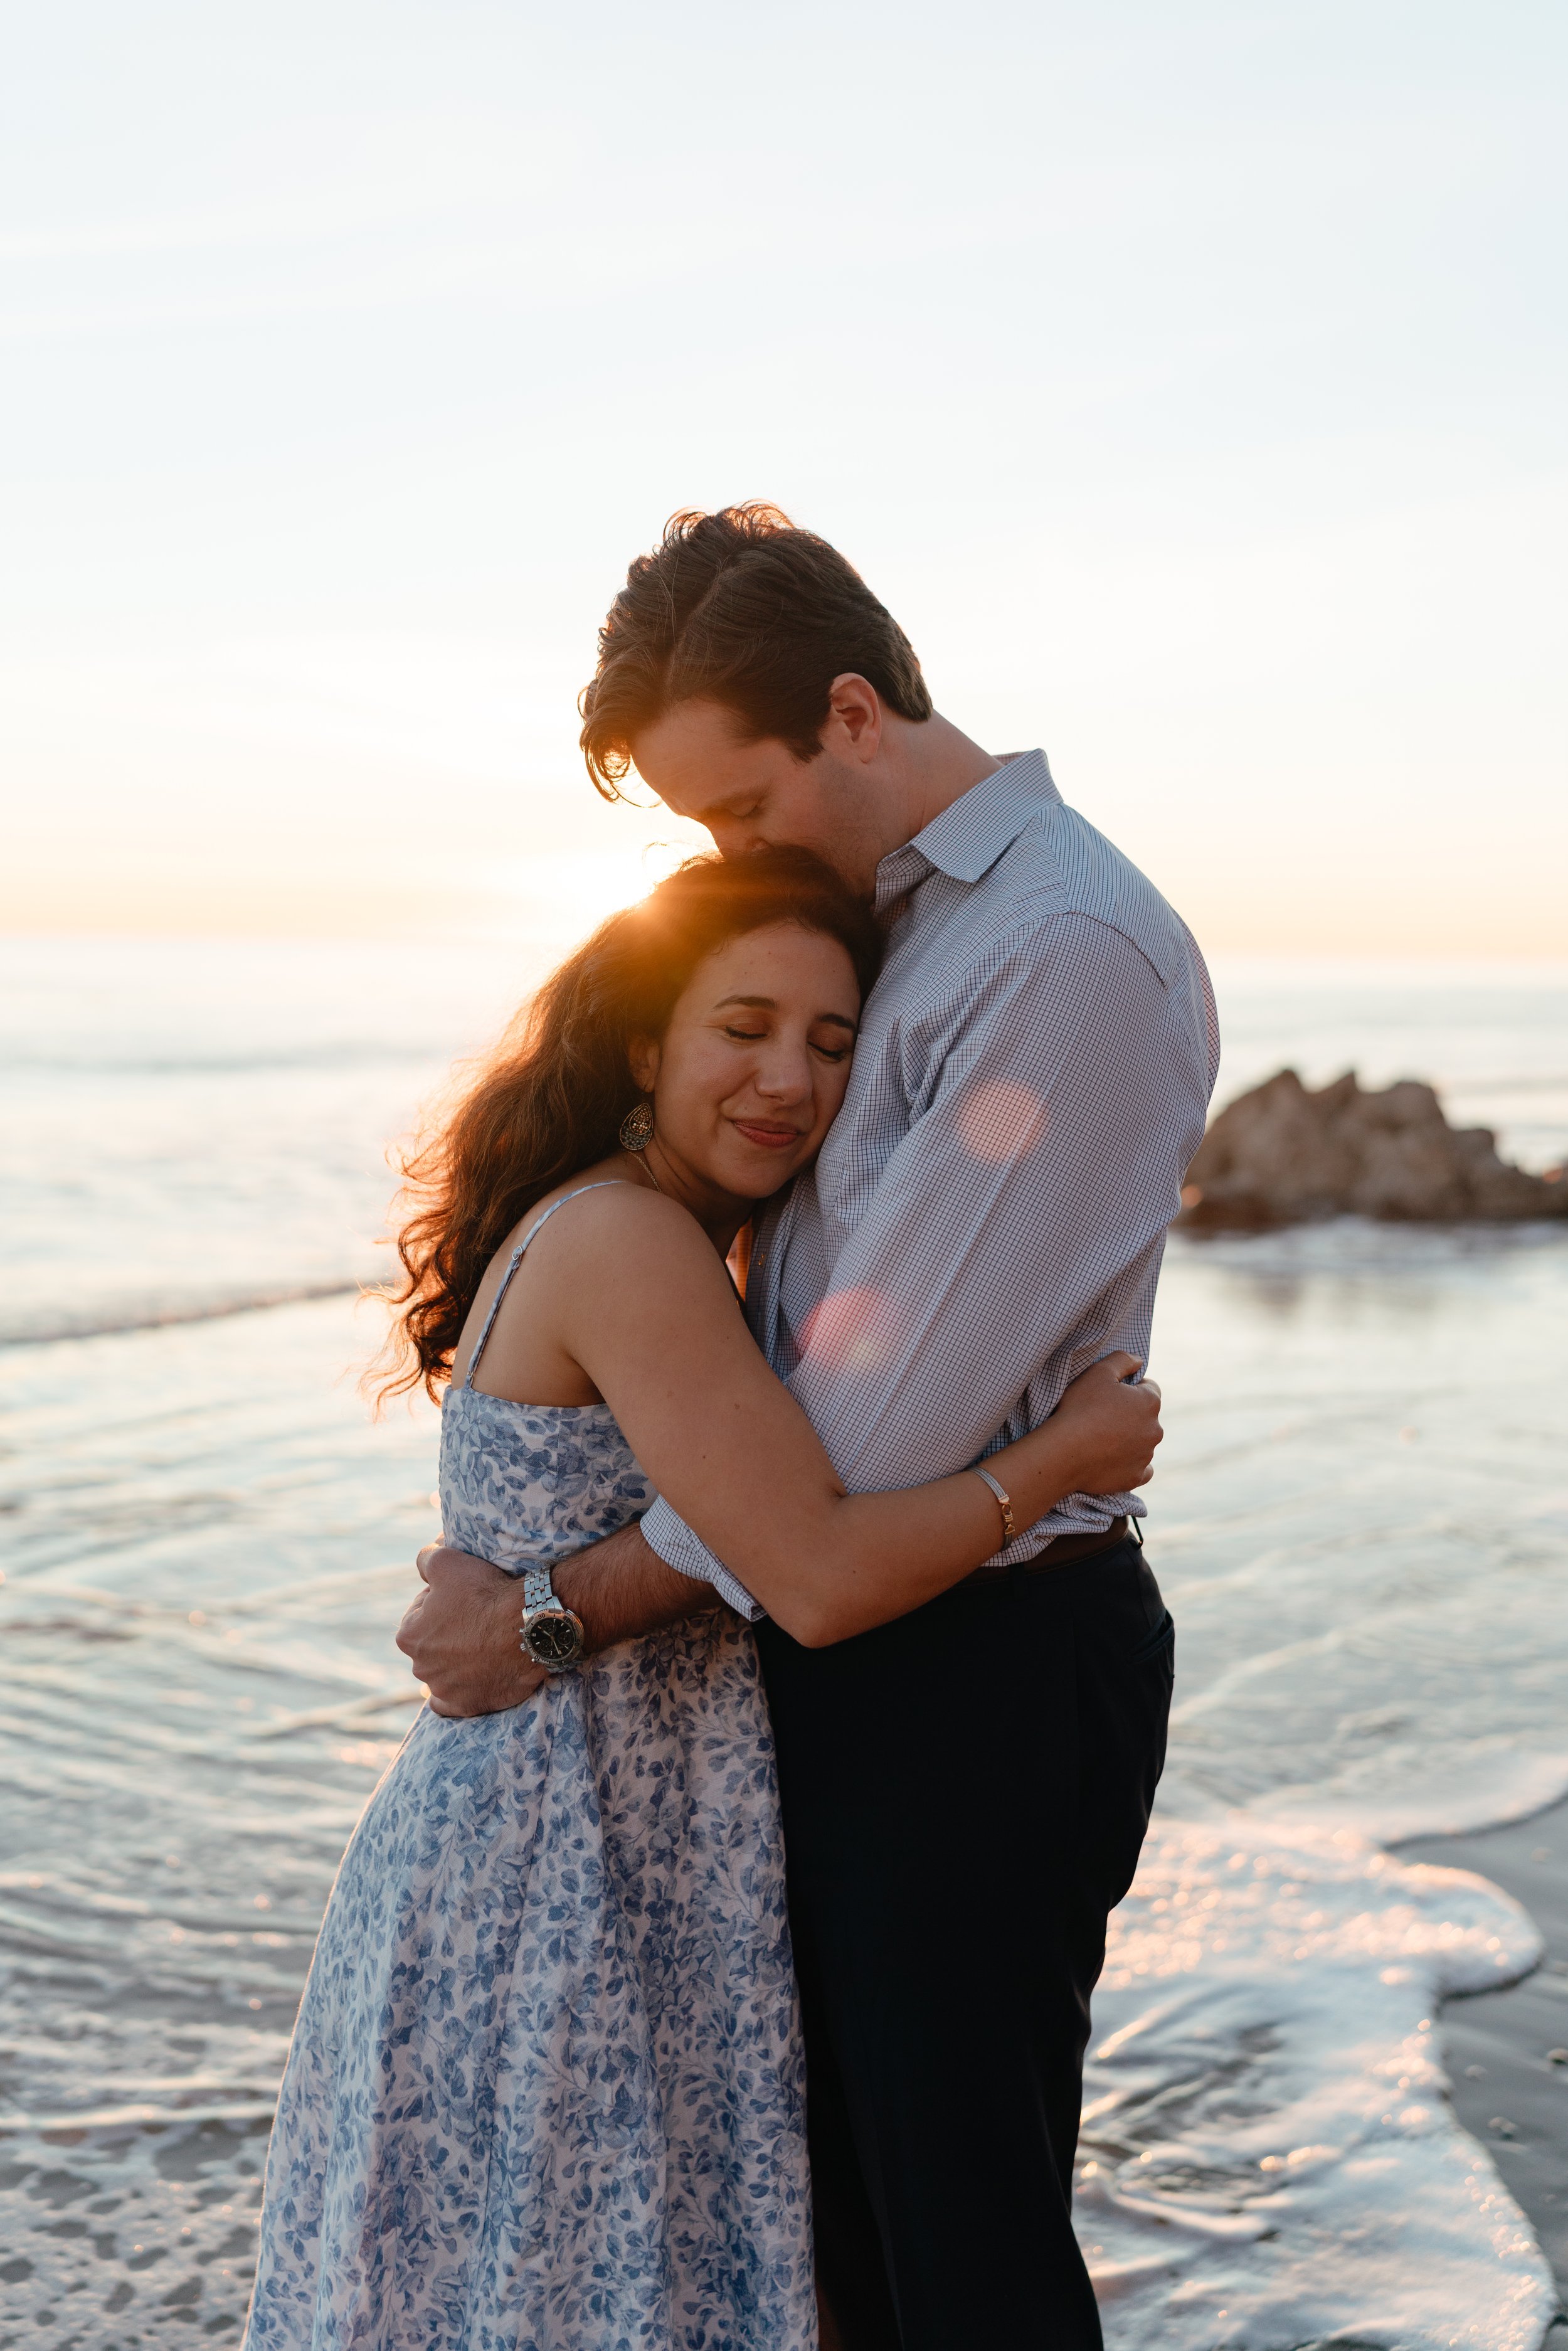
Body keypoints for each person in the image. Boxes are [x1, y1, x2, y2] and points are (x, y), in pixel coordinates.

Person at [403, 506, 1219, 2350]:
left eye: (738, 808)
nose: (725, 854)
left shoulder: (1058, 951)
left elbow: (833, 1474)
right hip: (843, 1657)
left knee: (953, 2248)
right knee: (826, 2240)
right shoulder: (886, 943)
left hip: (972, 1665)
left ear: (852, 712)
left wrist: (554, 1608)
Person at [244, 847, 1163, 2351]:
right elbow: (813, 1572)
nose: (787, 1079)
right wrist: (1057, 1456)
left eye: (829, 1040)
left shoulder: (655, 1231)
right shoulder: (628, 1239)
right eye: (742, 1025)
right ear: (641, 1044)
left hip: (605, 1832)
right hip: (563, 1854)